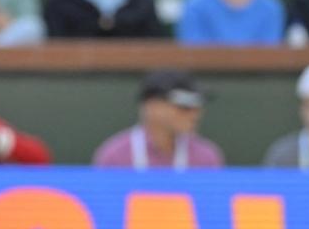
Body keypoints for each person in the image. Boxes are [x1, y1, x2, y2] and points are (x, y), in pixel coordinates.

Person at [93, 69, 225, 169]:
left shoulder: (206, 157)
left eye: (197, 107)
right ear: (152, 107)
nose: (195, 114)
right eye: (184, 106)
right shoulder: (115, 156)